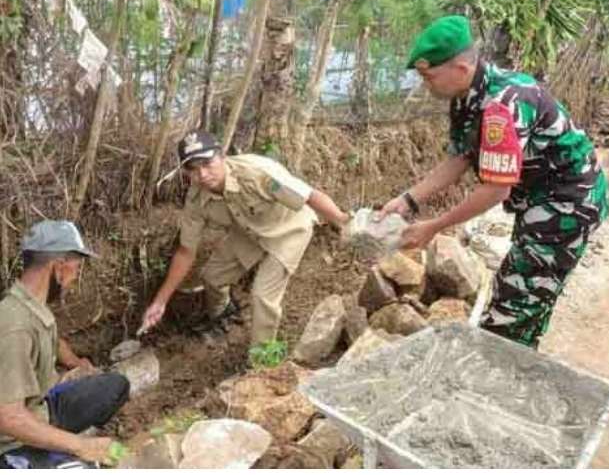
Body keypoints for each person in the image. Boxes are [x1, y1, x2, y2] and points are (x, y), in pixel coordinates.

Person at [380, 15, 609, 349]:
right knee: (525, 296)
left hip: (567, 205)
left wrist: (435, 226)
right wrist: (408, 200)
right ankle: (519, 364)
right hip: (540, 201)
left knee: (511, 309)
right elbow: (459, 159)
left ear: (460, 67)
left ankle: (502, 379)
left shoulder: (504, 106)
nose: (424, 85)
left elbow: (495, 189)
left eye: (429, 76)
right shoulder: (468, 95)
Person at [139, 130, 351, 348]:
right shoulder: (195, 197)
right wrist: (160, 302)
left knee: (262, 296)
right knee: (212, 277)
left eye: (207, 164)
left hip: (289, 230)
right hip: (250, 233)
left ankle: (262, 359)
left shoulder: (256, 172)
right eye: (193, 169)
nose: (202, 175)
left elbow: (310, 195)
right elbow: (186, 251)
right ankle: (224, 319)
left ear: (221, 156)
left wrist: (344, 222)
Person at [0, 220, 129, 468]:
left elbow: (52, 337)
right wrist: (81, 445)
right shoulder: (14, 327)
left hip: (40, 409)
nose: (74, 279)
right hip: (11, 440)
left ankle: (54, 439)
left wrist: (75, 363)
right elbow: (7, 417)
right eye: (76, 268)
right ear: (59, 268)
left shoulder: (28, 303)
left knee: (115, 386)